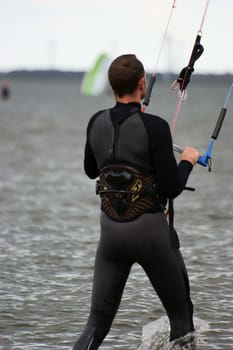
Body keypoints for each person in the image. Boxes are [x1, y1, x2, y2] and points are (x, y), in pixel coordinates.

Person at [72, 54, 200, 350]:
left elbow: (92, 170)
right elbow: (171, 188)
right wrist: (187, 161)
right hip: (150, 234)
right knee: (181, 319)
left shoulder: (95, 122)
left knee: (96, 324)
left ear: (112, 85)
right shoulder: (155, 126)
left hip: (111, 236)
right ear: (142, 83)